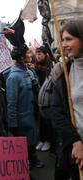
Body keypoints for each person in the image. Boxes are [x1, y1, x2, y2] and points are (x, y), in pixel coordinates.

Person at [51, 19, 83, 180]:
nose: (63, 44)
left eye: (69, 39)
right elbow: (56, 111)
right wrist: (75, 141)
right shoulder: (64, 72)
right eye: (62, 39)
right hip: (74, 149)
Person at [5, 44, 44, 170]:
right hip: (22, 119)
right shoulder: (13, 77)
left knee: (32, 141)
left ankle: (32, 159)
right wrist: (13, 123)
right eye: (28, 52)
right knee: (23, 144)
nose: (31, 54)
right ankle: (23, 164)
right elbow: (11, 103)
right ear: (21, 57)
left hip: (31, 114)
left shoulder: (28, 71)